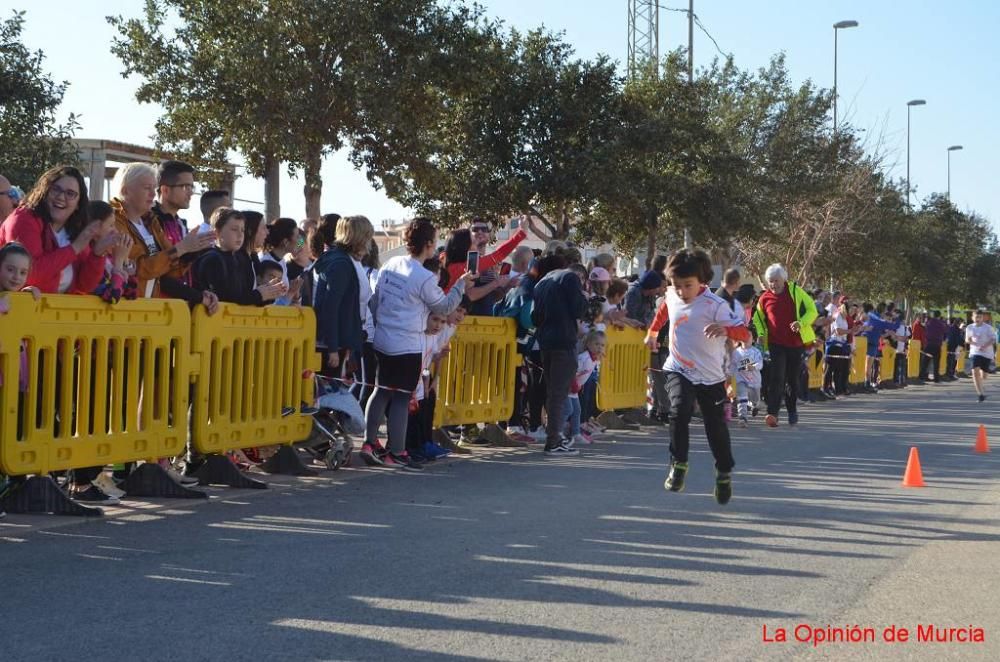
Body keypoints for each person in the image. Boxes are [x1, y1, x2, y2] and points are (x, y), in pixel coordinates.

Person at [361, 217, 472, 470]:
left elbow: (376, 299)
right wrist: (460, 285)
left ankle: (369, 442)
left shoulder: (391, 263)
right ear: (430, 244)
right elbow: (444, 307)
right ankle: (397, 451)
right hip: (406, 342)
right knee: (401, 398)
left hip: (383, 338)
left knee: (381, 391)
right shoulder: (423, 276)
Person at [645, 249, 749, 505]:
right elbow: (664, 311)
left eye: (687, 285)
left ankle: (723, 472)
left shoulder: (716, 305)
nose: (681, 291)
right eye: (676, 285)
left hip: (710, 376)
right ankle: (679, 463)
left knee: (715, 427)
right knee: (678, 411)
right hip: (678, 367)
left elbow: (745, 335)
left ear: (701, 281)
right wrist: (652, 333)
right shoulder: (671, 295)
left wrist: (726, 329)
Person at [0, 165, 114, 294]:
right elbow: (30, 275)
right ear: (44, 192)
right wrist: (74, 248)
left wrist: (97, 255)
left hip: (55, 311)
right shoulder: (23, 219)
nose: (60, 197)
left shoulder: (75, 229)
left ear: (78, 204)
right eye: (55, 189)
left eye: (70, 194)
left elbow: (84, 286)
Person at [110, 162, 216, 302]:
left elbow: (168, 270)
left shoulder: (151, 222)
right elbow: (141, 268)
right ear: (125, 191)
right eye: (147, 188)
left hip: (150, 309)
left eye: (154, 188)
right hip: (126, 308)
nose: (153, 194)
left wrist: (190, 251)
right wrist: (182, 248)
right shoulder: (113, 222)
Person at [531, 254, 589, 455]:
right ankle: (554, 440)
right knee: (559, 393)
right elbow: (579, 309)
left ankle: (554, 436)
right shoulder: (569, 278)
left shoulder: (541, 283)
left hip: (546, 341)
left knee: (553, 392)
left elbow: (534, 316)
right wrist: (585, 298)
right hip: (564, 341)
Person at [751, 263, 817, 427]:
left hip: (795, 343)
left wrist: (801, 323)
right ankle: (772, 413)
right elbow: (758, 319)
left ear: (783, 279)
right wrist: (760, 334)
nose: (773, 284)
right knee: (777, 378)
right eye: (770, 281)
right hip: (775, 344)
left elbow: (812, 310)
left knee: (792, 380)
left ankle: (792, 410)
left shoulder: (795, 291)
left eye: (776, 280)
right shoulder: (764, 298)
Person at [312, 215, 373, 379]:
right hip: (333, 342)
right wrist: (332, 347)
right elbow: (330, 306)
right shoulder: (340, 262)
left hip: (343, 338)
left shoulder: (343, 257)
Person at [193, 208, 285, 305]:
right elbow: (229, 297)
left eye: (242, 230)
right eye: (234, 229)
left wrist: (271, 293)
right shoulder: (214, 259)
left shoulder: (248, 258)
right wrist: (260, 294)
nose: (241, 234)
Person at [566, 329, 606, 447]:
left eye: (602, 345)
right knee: (567, 410)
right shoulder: (583, 358)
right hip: (567, 388)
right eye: (596, 344)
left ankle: (576, 434)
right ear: (588, 344)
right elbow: (571, 371)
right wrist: (573, 384)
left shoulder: (595, 359)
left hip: (574, 391)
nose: (599, 347)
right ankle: (558, 431)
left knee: (577, 411)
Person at [731, 336, 764, 427]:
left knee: (755, 401)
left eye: (749, 336)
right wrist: (729, 376)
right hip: (741, 379)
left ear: (753, 340)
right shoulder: (736, 352)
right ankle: (743, 417)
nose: (746, 337)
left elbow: (760, 364)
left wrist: (753, 367)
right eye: (744, 335)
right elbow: (732, 366)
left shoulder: (756, 351)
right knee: (742, 395)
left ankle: (755, 406)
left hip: (754, 381)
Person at [966, 310, 996, 402]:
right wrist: (973, 342)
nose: (977, 319)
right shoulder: (969, 327)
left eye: (979, 317)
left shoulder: (988, 328)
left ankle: (981, 385)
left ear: (982, 318)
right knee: (975, 371)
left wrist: (985, 346)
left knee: (984, 376)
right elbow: (967, 339)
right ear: (972, 318)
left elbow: (993, 339)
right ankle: (980, 394)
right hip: (975, 352)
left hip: (987, 353)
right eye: (976, 317)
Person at [921, 310, 948, 383]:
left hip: (928, 344)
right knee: (936, 362)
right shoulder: (941, 323)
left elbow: (925, 329)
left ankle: (922, 377)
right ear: (939, 316)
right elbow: (945, 332)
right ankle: (936, 379)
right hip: (937, 344)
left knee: (925, 362)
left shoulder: (928, 322)